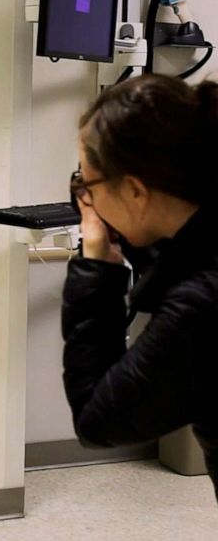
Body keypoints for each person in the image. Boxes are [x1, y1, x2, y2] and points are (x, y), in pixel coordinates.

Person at [63, 73, 218, 499]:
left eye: (86, 183)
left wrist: (96, 263)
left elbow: (99, 420)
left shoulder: (203, 304)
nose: (84, 198)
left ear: (134, 190)